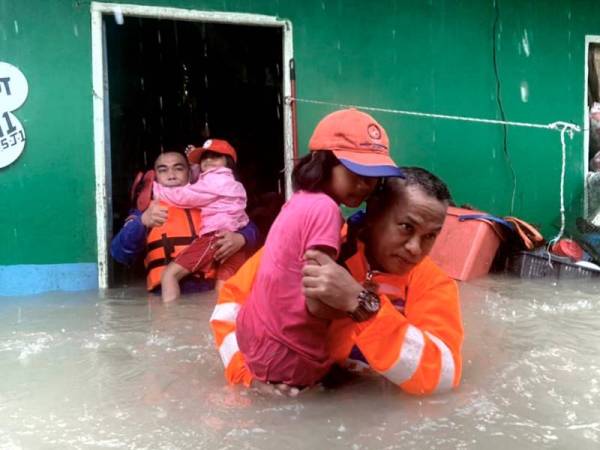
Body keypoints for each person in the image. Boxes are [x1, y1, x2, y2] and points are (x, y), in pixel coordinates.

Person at [210, 167, 464, 396]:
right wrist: (247, 378)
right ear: (374, 212)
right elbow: (228, 309)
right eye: (406, 227)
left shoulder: (433, 282)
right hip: (299, 399)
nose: (415, 249)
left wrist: (363, 306)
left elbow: (443, 376)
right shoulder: (309, 246)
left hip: (367, 412)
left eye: (430, 236)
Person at [231, 108, 404, 388]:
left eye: (373, 176)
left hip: (258, 341)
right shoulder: (326, 210)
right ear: (324, 164)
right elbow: (318, 302)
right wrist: (364, 301)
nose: (364, 185)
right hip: (290, 355)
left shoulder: (301, 199)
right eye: (355, 171)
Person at [110, 151, 259, 294]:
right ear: (155, 177)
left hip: (208, 290)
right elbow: (118, 254)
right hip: (164, 293)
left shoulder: (212, 201)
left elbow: (251, 229)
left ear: (190, 173)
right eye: (163, 170)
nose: (171, 175)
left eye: (178, 168)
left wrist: (241, 238)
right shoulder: (146, 210)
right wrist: (141, 222)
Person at [153, 139, 250, 302]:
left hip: (215, 238)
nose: (209, 161)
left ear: (229, 163)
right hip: (227, 238)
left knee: (169, 275)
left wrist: (155, 189)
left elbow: (185, 195)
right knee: (222, 291)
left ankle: (167, 322)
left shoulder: (214, 182)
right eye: (204, 158)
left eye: (215, 157)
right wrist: (140, 220)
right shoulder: (230, 183)